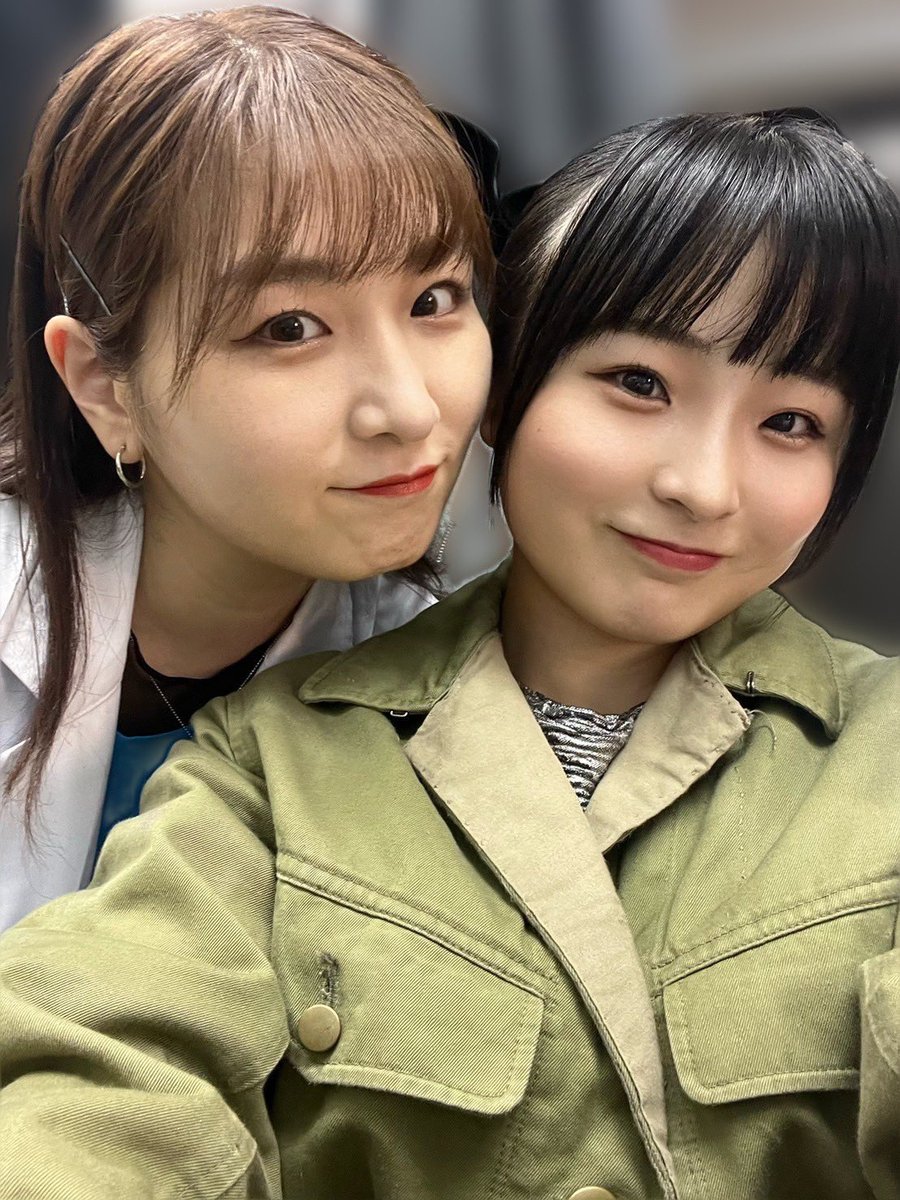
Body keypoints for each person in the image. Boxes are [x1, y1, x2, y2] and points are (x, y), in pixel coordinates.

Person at [2, 110, 899, 1199]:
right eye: (639, 384)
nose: (702, 487)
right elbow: (112, 1069)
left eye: (792, 423)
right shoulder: (273, 761)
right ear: (504, 390)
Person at [0, 5, 499, 931]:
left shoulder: (439, 676)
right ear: (106, 386)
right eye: (289, 328)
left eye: (434, 299)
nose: (409, 409)